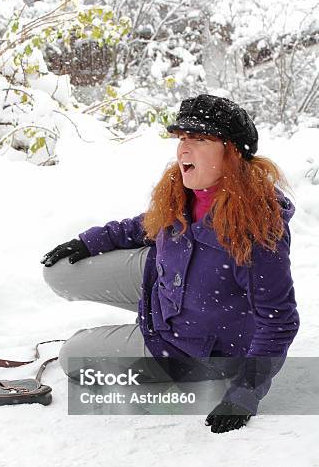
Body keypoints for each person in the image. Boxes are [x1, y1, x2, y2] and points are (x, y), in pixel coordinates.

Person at [41, 93, 300, 433]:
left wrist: (245, 394)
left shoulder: (255, 230)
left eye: (200, 139)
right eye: (182, 138)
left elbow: (279, 321)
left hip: (191, 344)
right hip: (165, 277)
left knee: (72, 357)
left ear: (232, 152)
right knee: (59, 272)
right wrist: (92, 240)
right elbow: (149, 224)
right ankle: (154, 309)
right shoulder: (185, 190)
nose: (184, 150)